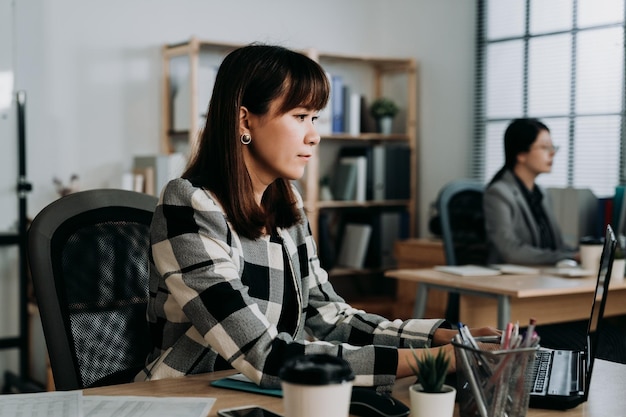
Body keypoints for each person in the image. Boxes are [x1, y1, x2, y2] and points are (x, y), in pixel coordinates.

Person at [135, 43, 498, 390]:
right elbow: (264, 356)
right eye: (299, 117)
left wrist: (439, 337)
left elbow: (328, 317)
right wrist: (435, 360)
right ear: (244, 120)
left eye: (315, 117)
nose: (315, 135)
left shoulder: (285, 203)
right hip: (188, 396)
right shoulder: (188, 204)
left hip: (261, 393)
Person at [484, 118, 579, 265]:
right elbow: (510, 251)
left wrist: (580, 253)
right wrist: (566, 257)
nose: (552, 153)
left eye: (553, 147)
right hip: (512, 280)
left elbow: (556, 246)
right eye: (544, 147)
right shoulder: (498, 193)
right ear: (521, 154)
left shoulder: (543, 194)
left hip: (543, 276)